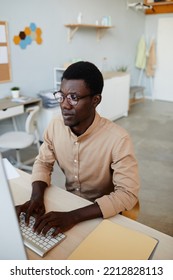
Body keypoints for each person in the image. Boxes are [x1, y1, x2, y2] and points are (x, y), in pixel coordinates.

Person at [16, 61, 140, 237]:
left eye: (74, 97)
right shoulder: (55, 126)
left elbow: (127, 194)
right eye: (62, 95)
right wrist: (36, 197)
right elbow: (43, 162)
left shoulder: (118, 139)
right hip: (71, 204)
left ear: (95, 100)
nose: (65, 105)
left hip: (101, 213)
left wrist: (73, 217)